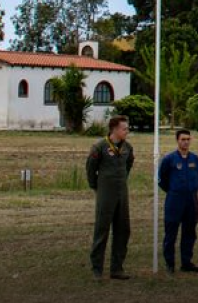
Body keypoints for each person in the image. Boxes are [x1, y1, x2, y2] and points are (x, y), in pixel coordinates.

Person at [86, 115, 135, 279]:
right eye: (124, 128)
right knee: (102, 229)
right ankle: (97, 268)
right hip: (105, 193)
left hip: (122, 193)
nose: (127, 131)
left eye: (127, 128)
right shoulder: (100, 146)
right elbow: (91, 168)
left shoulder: (127, 147)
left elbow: (128, 164)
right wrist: (96, 186)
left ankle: (117, 268)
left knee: (123, 230)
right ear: (114, 129)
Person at [158, 128, 198, 273]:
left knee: (189, 231)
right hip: (174, 200)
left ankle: (186, 262)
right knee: (171, 232)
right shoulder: (169, 159)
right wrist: (173, 190)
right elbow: (162, 180)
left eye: (188, 139)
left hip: (191, 199)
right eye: (182, 139)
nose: (185, 142)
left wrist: (193, 188)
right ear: (177, 141)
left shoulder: (195, 159)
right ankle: (170, 263)